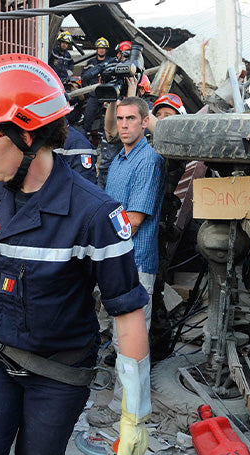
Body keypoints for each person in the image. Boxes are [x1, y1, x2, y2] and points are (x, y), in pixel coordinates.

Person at [0, 53, 152, 455]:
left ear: (27, 135)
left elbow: (126, 311)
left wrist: (134, 412)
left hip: (58, 374)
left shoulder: (95, 214)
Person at [89, 96, 165, 428]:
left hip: (136, 261)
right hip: (116, 259)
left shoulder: (149, 161)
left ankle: (128, 409)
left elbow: (132, 220)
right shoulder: (119, 158)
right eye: (120, 118)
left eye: (132, 118)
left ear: (145, 122)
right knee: (115, 332)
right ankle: (121, 397)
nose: (124, 124)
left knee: (130, 339)